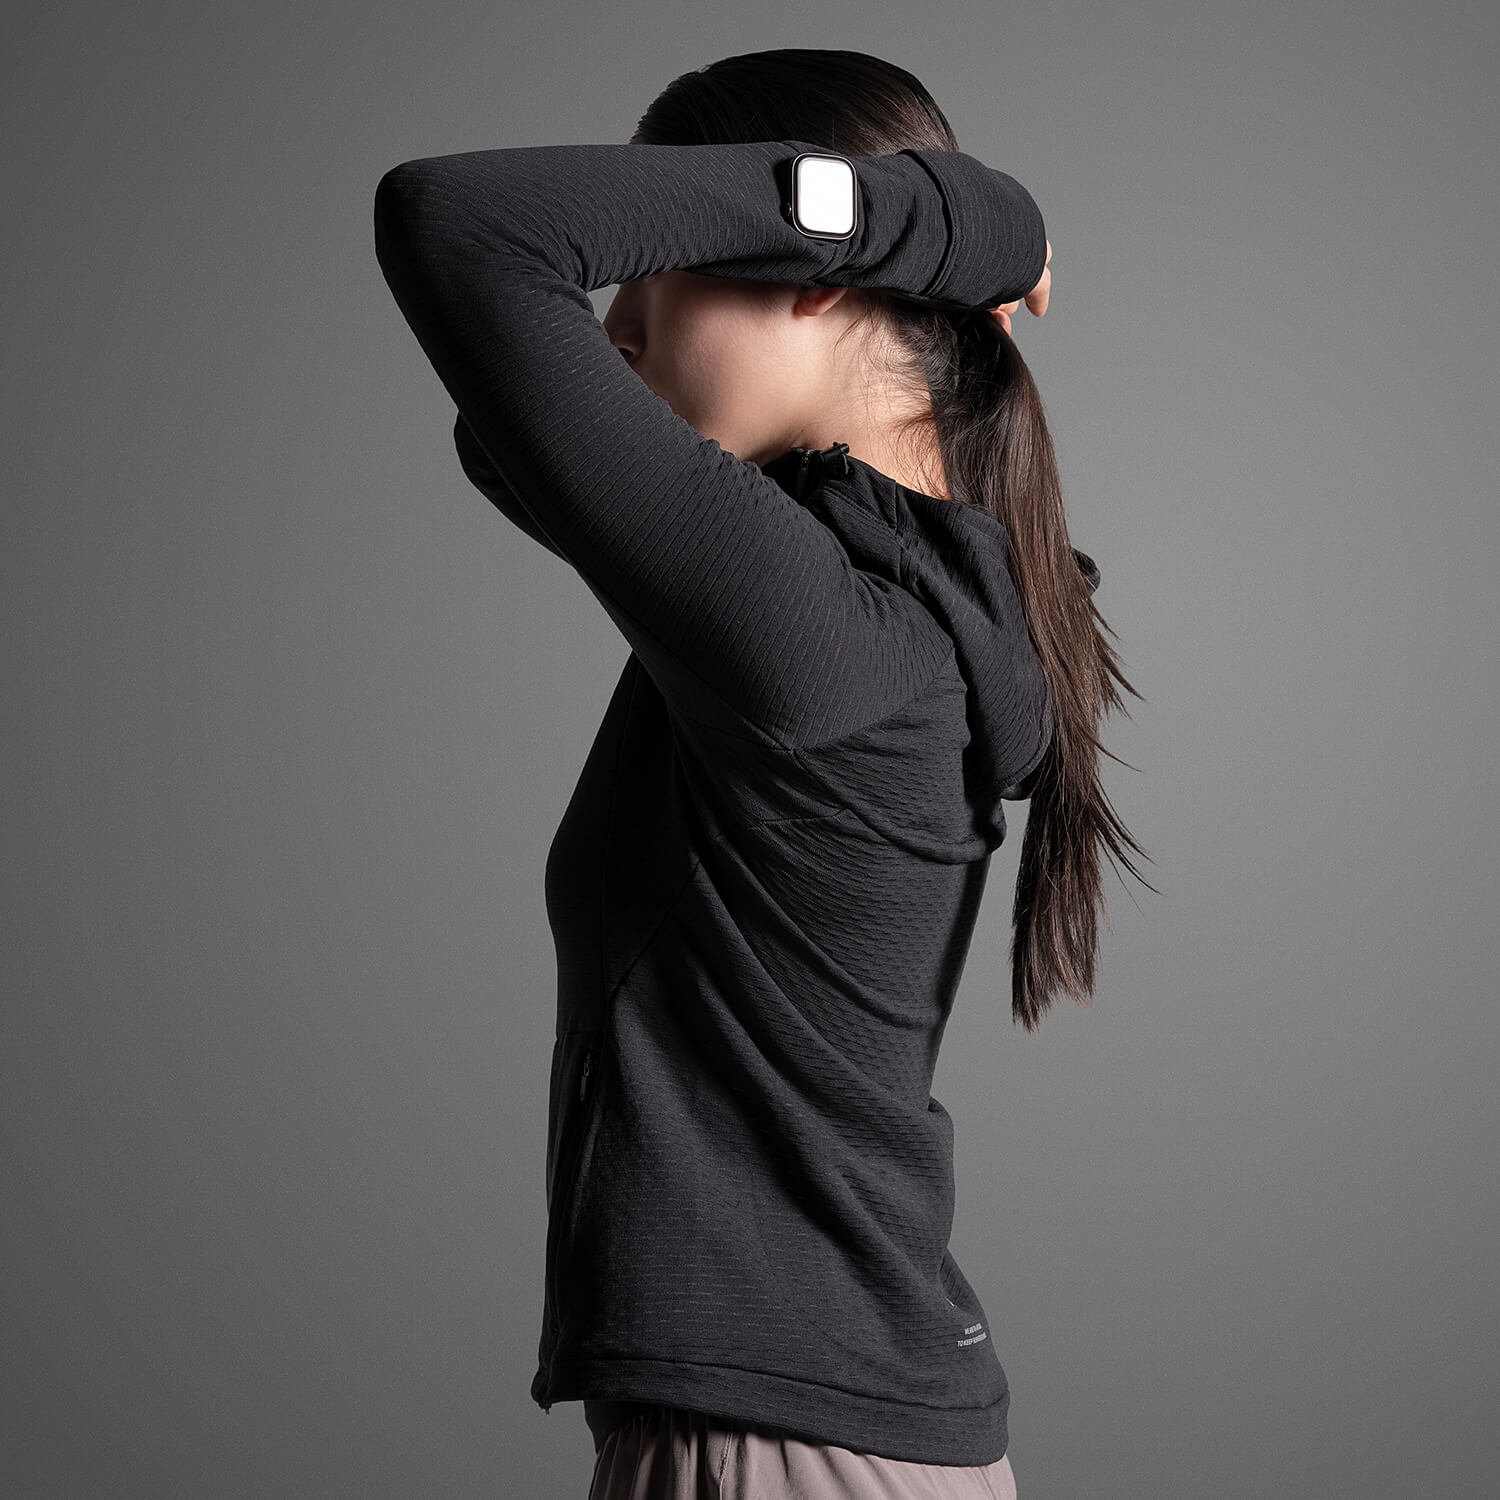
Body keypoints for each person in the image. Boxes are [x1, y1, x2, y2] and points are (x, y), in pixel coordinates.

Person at [374, 45, 1148, 1500]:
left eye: (654, 269)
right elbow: (504, 435)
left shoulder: (825, 637)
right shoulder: (891, 603)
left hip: (769, 1445)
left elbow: (460, 228)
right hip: (837, 1433)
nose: (615, 324)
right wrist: (913, 226)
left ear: (820, 269)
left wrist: (925, 217)